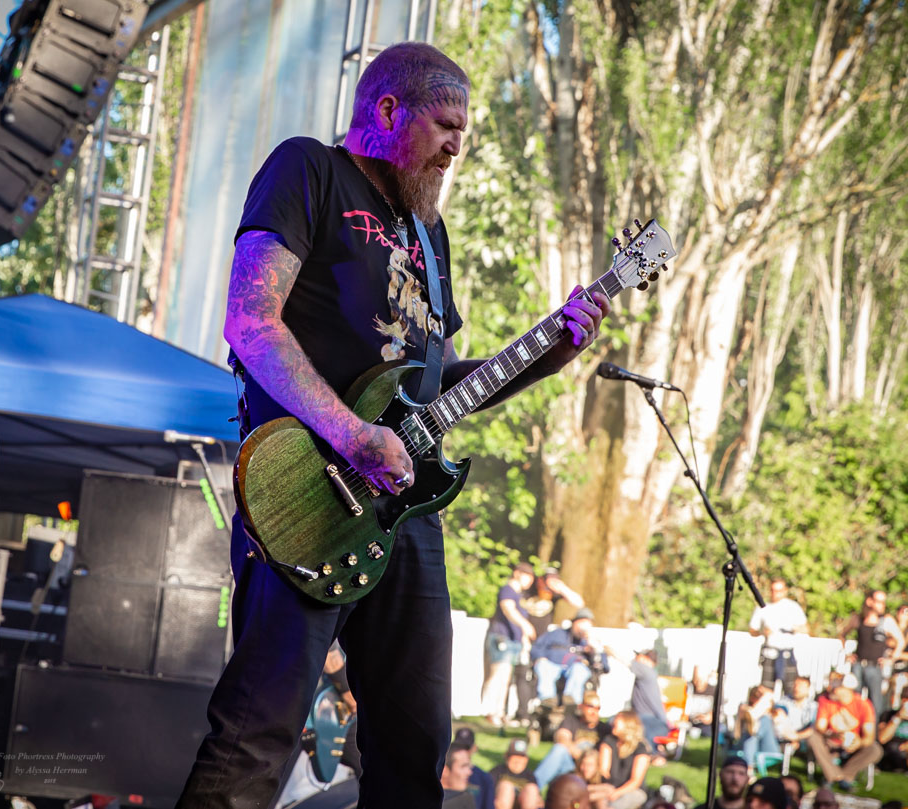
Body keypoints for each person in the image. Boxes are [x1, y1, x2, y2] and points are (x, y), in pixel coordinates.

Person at [175, 41, 610, 809]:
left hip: (403, 512)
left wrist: (546, 357)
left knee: (415, 747)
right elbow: (250, 322)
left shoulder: (429, 236)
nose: (455, 147)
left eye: (462, 132)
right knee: (258, 732)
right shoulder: (308, 170)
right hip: (304, 491)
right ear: (387, 111)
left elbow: (431, 389)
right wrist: (353, 434)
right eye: (445, 125)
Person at [517, 569, 585, 725]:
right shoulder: (529, 591)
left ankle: (555, 705)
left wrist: (561, 588)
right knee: (521, 676)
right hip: (523, 638)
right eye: (549, 581)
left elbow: (579, 603)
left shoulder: (553, 595)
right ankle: (522, 714)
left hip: (542, 642)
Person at [807, 672, 883, 791]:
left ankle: (844, 776)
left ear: (847, 689)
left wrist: (859, 742)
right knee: (813, 737)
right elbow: (820, 728)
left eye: (836, 687)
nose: (831, 689)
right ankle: (835, 776)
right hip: (831, 743)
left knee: (875, 749)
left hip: (853, 746)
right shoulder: (825, 700)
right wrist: (834, 734)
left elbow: (869, 737)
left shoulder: (863, 705)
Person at [484, 563, 538, 725]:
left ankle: (499, 712)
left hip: (513, 641)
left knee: (506, 678)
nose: (530, 580)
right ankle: (489, 711)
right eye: (527, 576)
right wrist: (525, 625)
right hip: (501, 638)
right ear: (517, 573)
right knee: (497, 675)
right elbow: (508, 609)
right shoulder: (507, 590)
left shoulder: (520, 596)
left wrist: (524, 638)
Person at [838, 589, 904, 715]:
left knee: (874, 703)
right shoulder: (858, 619)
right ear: (870, 601)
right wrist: (847, 654)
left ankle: (873, 727)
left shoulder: (886, 620)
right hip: (858, 664)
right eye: (879, 602)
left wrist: (891, 660)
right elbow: (842, 635)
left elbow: (901, 641)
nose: (883, 605)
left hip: (874, 666)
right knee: (854, 699)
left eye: (884, 602)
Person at [531, 608, 608, 708]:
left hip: (575, 667)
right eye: (581, 623)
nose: (583, 627)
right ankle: (547, 701)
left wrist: (595, 650)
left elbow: (604, 666)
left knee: (580, 670)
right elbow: (537, 647)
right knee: (543, 666)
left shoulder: (590, 641)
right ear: (574, 623)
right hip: (552, 665)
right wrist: (540, 658)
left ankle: (571, 702)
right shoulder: (557, 634)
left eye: (587, 623)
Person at [534, 691, 612, 788]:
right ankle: (533, 787)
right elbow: (562, 738)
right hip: (572, 765)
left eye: (597, 708)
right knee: (559, 749)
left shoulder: (604, 728)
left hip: (594, 769)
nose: (594, 712)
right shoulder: (571, 720)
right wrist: (581, 757)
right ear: (581, 706)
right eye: (590, 707)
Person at [749, 579, 808, 696]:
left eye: (779, 590)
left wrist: (793, 628)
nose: (775, 593)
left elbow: (806, 629)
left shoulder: (793, 607)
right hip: (770, 654)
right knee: (765, 692)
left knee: (791, 691)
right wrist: (762, 632)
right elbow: (752, 630)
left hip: (787, 654)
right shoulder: (763, 607)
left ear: (785, 591)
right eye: (773, 590)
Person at [597, 711, 652, 809]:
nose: (613, 722)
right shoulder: (609, 741)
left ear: (628, 723)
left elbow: (636, 781)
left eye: (617, 719)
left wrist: (617, 792)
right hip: (609, 787)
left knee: (615, 805)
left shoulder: (640, 748)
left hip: (632, 790)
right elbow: (604, 771)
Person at [734, 686, 780, 776]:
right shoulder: (744, 708)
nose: (758, 699)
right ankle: (749, 769)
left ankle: (748, 769)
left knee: (761, 723)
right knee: (752, 734)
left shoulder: (776, 713)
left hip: (768, 747)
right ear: (751, 697)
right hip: (744, 743)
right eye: (756, 696)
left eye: (761, 697)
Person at [451, 727, 495, 809]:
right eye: (459, 747)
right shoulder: (445, 773)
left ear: (474, 748)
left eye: (467, 748)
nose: (463, 751)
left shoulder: (484, 778)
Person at [492, 739, 543, 809]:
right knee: (506, 787)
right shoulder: (498, 771)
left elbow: (539, 801)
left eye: (521, 757)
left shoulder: (530, 775)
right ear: (506, 756)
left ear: (526, 759)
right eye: (515, 756)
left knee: (531, 789)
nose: (518, 761)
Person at [876, 683, 908, 773]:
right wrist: (897, 718)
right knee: (893, 748)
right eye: (905, 699)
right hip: (890, 752)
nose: (907, 702)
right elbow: (882, 738)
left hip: (907, 751)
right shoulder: (887, 715)